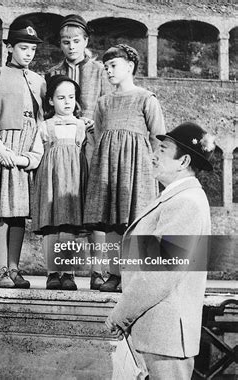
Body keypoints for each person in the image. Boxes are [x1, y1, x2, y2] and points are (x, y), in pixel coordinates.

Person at [106, 122, 216, 379]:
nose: (153, 155)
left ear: (183, 160)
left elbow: (161, 272)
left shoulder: (186, 203)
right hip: (156, 334)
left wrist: (120, 315)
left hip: (163, 338)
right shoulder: (177, 198)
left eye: (163, 150)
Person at [84, 44, 166, 292]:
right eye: (106, 67)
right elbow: (99, 137)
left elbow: (159, 138)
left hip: (137, 169)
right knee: (111, 223)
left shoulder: (146, 98)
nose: (108, 71)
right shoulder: (103, 103)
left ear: (129, 67)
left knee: (136, 221)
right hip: (108, 170)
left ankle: (134, 276)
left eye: (113, 66)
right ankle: (114, 275)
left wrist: (152, 168)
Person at [45, 14, 113, 290]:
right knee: (64, 207)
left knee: (95, 208)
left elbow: (108, 105)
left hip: (93, 144)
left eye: (76, 41)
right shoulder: (52, 73)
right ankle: (62, 272)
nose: (71, 46)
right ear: (60, 45)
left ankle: (99, 272)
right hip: (63, 147)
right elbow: (47, 109)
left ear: (86, 41)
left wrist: (91, 118)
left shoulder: (99, 71)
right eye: (65, 42)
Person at [0, 20, 45, 288]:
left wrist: (33, 150)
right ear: (9, 48)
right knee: (0, 209)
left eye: (32, 49)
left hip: (27, 146)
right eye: (23, 48)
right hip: (3, 144)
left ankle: (15, 269)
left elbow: (41, 118)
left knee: (19, 210)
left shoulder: (39, 80)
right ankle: (1, 271)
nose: (28, 53)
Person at [31, 75, 93, 291]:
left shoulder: (81, 126)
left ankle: (68, 273)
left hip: (73, 180)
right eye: (61, 97)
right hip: (50, 180)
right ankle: (52, 273)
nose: (67, 102)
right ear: (50, 101)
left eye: (71, 97)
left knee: (69, 224)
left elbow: (90, 151)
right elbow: (36, 154)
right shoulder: (44, 127)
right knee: (51, 224)